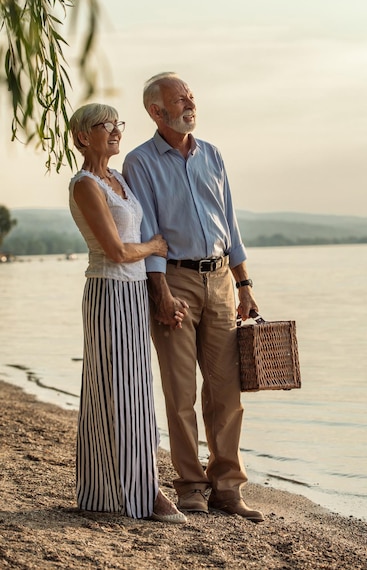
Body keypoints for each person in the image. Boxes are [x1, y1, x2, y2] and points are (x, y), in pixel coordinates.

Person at [122, 73, 264, 522]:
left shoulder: (213, 155)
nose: (189, 102)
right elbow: (148, 234)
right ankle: (190, 486)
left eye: (190, 96)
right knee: (180, 391)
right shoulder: (140, 162)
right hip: (175, 281)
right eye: (179, 98)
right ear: (156, 112)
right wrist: (159, 291)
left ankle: (227, 487)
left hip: (221, 279)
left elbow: (231, 225)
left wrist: (244, 284)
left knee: (226, 391)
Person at [68, 102, 187, 524]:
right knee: (115, 392)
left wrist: (161, 296)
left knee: (136, 392)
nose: (117, 131)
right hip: (108, 292)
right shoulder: (85, 184)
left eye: (119, 124)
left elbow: (129, 243)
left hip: (134, 294)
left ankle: (129, 489)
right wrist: (155, 247)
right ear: (83, 136)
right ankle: (137, 491)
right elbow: (117, 251)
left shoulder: (118, 179)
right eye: (106, 125)